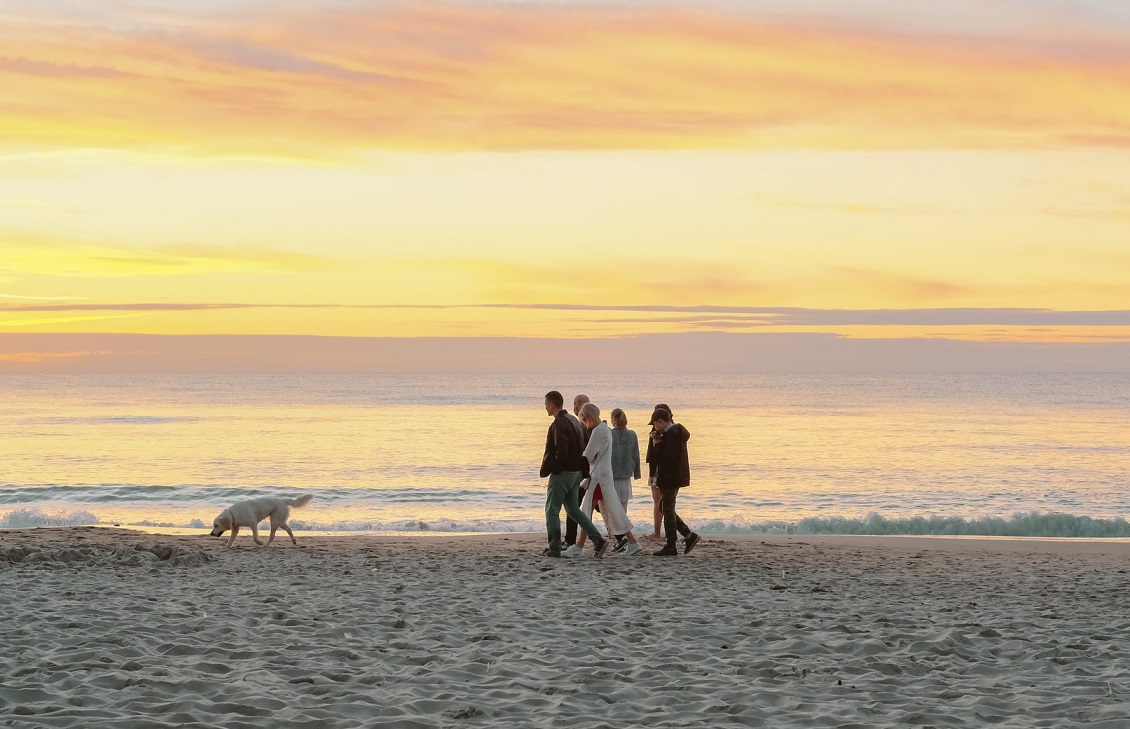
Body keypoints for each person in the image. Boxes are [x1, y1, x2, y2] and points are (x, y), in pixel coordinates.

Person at [540, 391, 610, 559]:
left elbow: (561, 451)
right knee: (573, 510)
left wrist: (554, 468)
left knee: (551, 510)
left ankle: (554, 548)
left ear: (552, 404)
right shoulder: (574, 420)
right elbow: (581, 446)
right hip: (576, 473)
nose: (545, 408)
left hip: (562, 473)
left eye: (546, 404)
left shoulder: (558, 424)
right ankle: (598, 540)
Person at [568, 403, 641, 557]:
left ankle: (579, 547)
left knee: (587, 510)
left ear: (588, 418)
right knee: (611, 510)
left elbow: (587, 455)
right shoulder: (606, 429)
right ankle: (632, 542)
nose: (584, 425)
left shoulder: (598, 431)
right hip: (603, 477)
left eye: (584, 421)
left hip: (598, 478)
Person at [648, 407, 700, 557]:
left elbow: (667, 458)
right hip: (675, 476)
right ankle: (689, 536)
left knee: (667, 509)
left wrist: (657, 443)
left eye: (656, 424)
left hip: (670, 477)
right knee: (664, 507)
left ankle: (671, 544)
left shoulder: (671, 434)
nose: (655, 428)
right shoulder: (675, 433)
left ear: (661, 421)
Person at [608, 407, 641, 552]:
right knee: (622, 509)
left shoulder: (609, 434)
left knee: (613, 511)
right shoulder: (632, 435)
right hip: (626, 475)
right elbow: (636, 455)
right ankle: (622, 538)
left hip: (612, 475)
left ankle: (621, 539)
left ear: (613, 419)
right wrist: (636, 472)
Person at [564, 393, 592, 548]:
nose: (576, 406)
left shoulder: (592, 427)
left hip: (588, 474)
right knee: (574, 506)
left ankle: (621, 537)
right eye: (574, 403)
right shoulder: (575, 424)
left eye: (579, 403)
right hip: (579, 474)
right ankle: (570, 541)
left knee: (604, 508)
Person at [643, 403, 673, 540]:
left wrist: (654, 440)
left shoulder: (663, 432)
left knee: (659, 501)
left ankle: (657, 532)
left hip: (658, 470)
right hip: (663, 470)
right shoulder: (672, 429)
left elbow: (657, 454)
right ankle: (662, 531)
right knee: (664, 502)